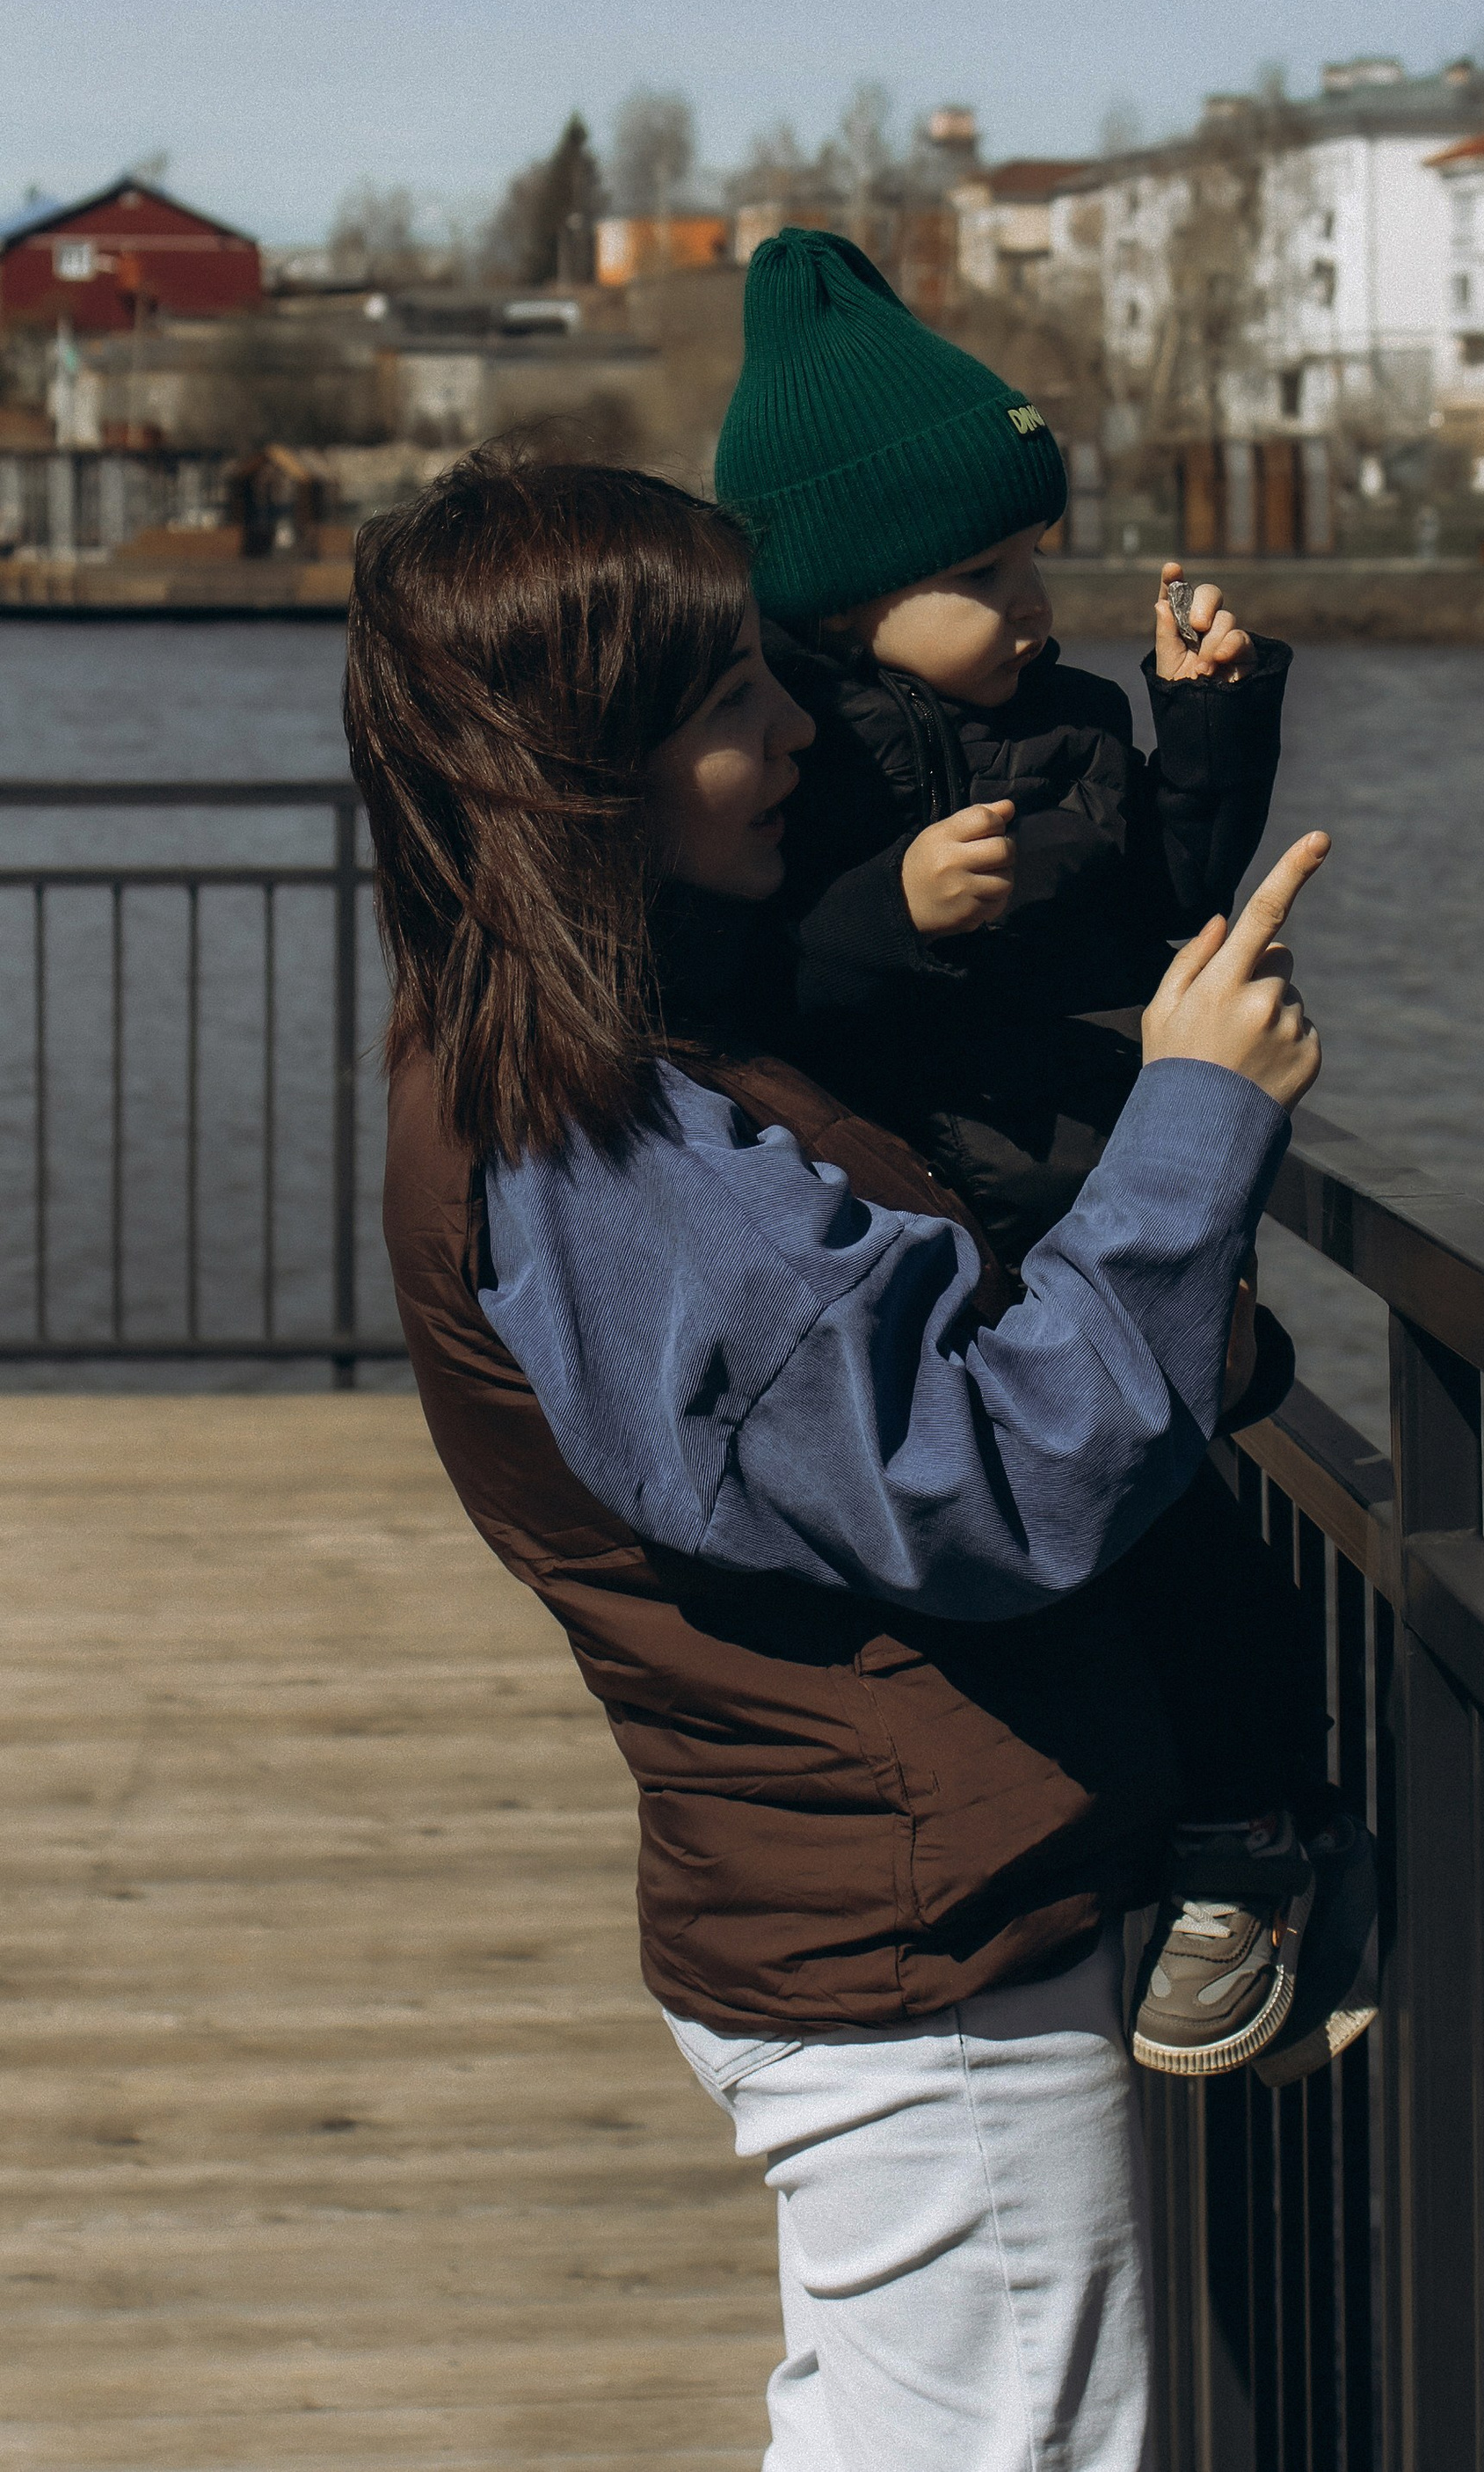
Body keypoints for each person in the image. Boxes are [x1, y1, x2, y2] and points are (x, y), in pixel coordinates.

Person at [351, 451, 1328, 2472]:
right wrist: (1189, 1123)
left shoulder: (566, 1048)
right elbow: (992, 1471)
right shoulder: (593, 1139)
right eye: (728, 702)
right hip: (902, 1961)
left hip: (861, 1901)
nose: (796, 729)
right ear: (579, 769)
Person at [713, 227, 1371, 2081]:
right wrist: (886, 909)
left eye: (1033, 560)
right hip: (934, 1212)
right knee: (1063, 1547)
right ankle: (1163, 1837)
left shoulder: (1068, 722)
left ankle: (1248, 1836)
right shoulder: (799, 761)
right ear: (844, 603)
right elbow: (752, 985)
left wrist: (1210, 719)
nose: (1029, 602)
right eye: (982, 573)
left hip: (1078, 1188)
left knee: (1164, 1536)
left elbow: (1168, 886)